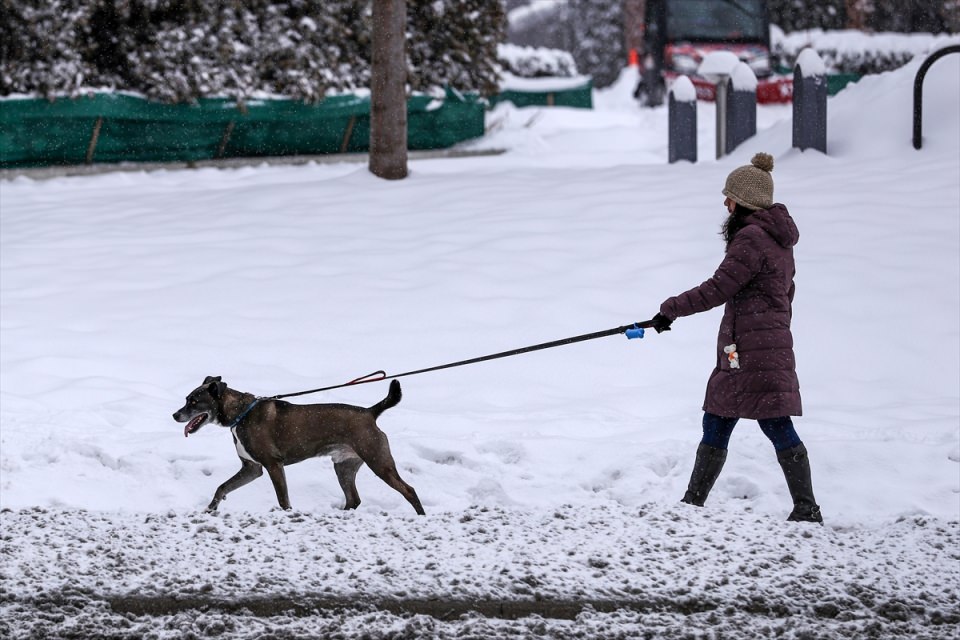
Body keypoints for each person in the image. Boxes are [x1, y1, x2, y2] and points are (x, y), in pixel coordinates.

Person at [648, 152, 822, 523]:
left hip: (751, 349)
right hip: (757, 345)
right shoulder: (778, 240)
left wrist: (670, 309)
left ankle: (802, 508)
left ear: (743, 202)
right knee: (727, 417)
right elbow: (785, 293)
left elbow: (717, 289)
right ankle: (695, 504)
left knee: (757, 421)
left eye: (730, 196)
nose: (725, 203)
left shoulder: (752, 239)